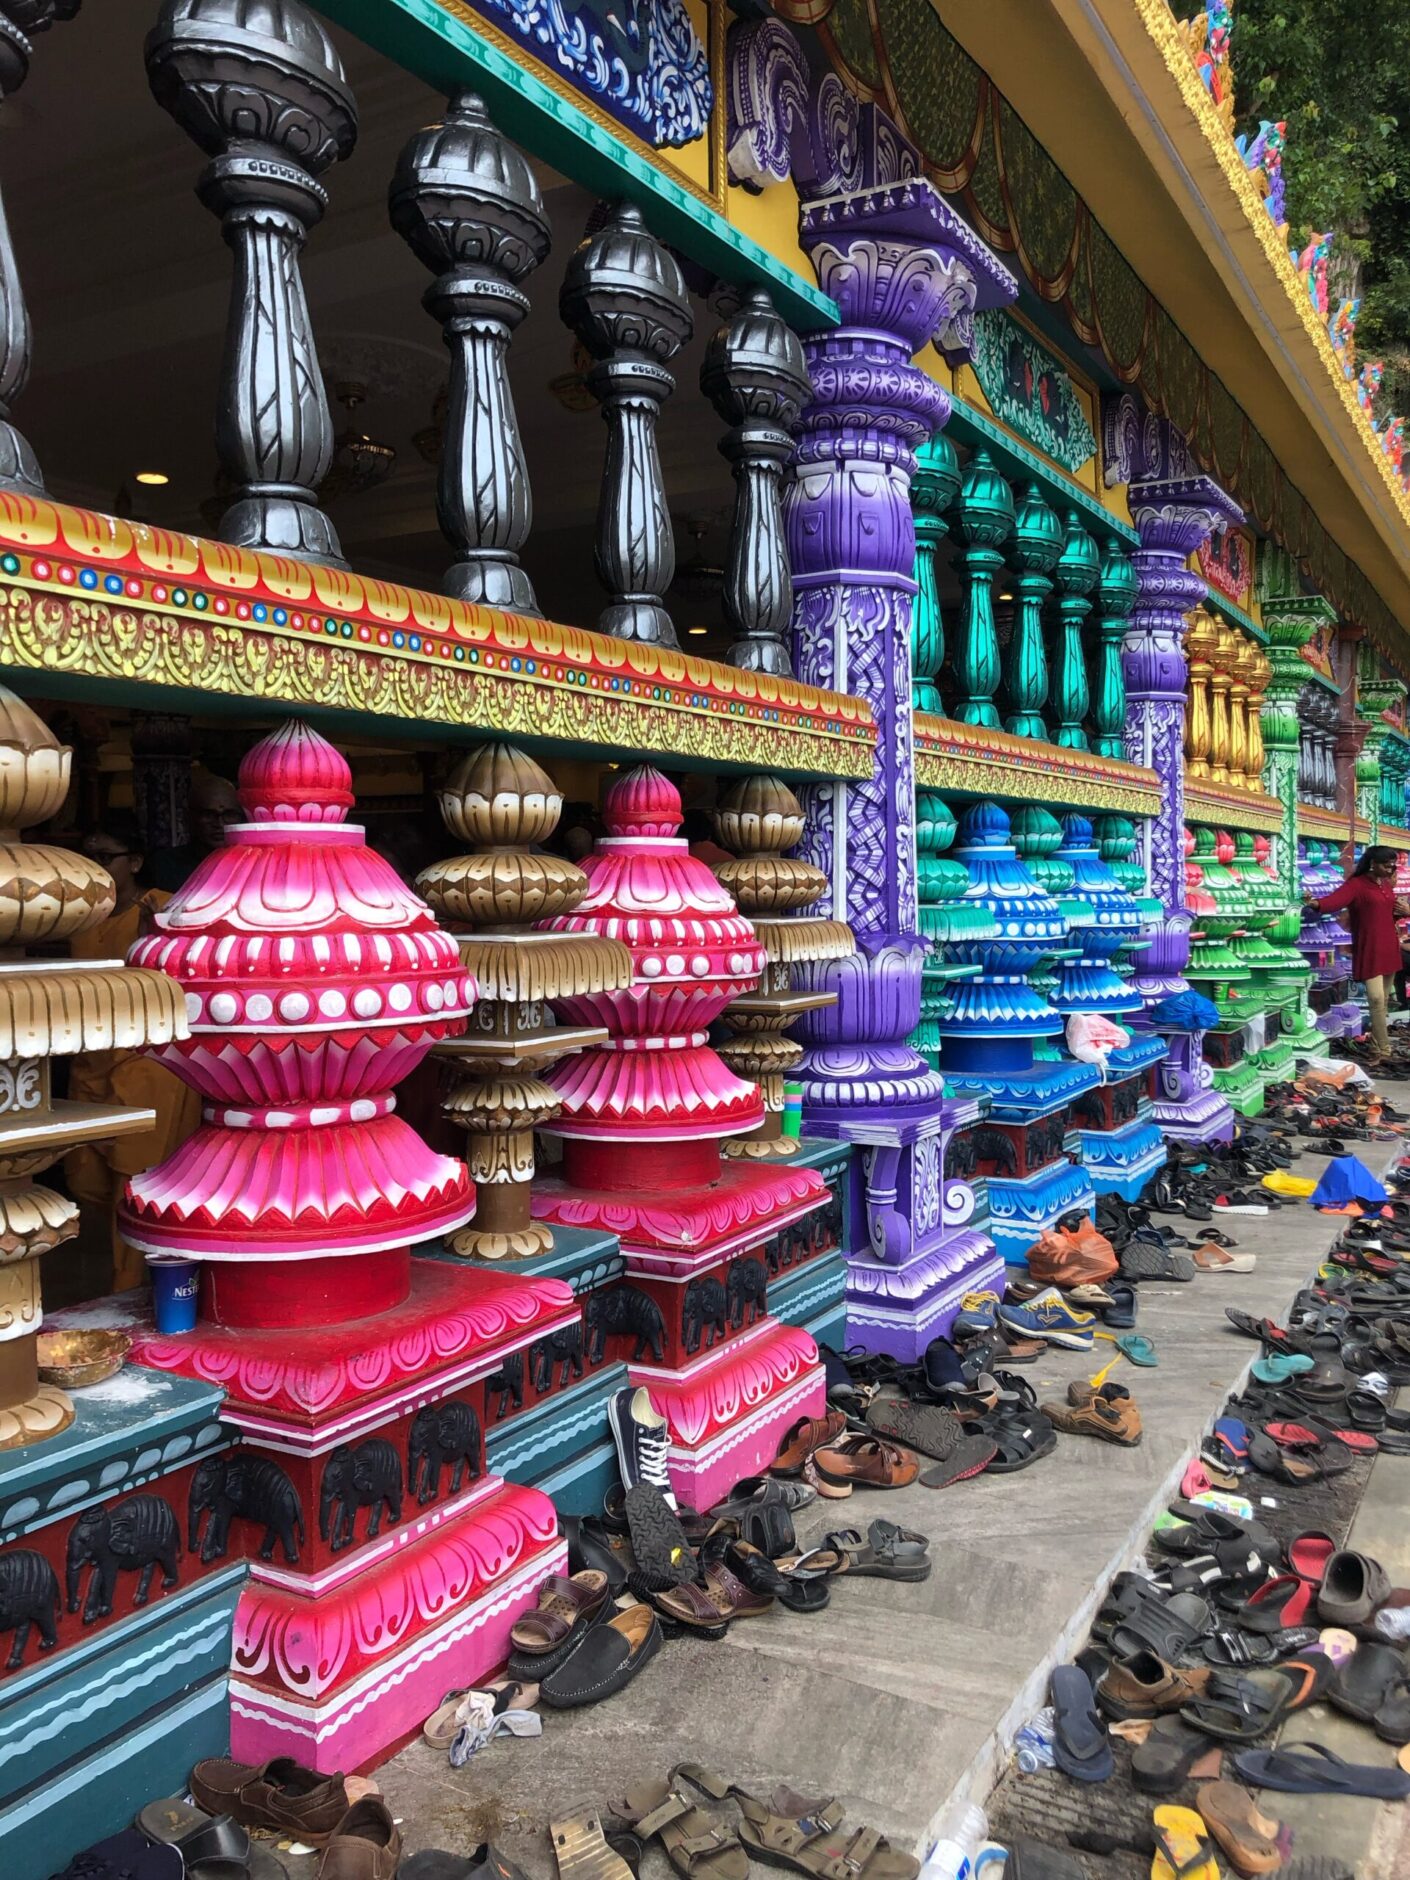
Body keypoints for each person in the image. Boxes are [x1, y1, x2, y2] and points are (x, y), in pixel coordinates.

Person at [64, 813, 202, 1290]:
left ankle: (129, 1292)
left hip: (147, 1064)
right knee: (83, 1176)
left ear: (135, 863)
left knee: (133, 1180)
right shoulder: (75, 914)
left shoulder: (162, 908)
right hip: (91, 1060)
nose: (95, 868)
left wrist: (156, 940)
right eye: (88, 858)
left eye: (105, 858)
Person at [1305, 845, 1410, 1066]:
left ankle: (1377, 1048)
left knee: (1383, 1001)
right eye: (1386, 865)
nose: (1391, 869)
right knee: (1376, 999)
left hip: (1389, 946)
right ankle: (1384, 1049)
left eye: (1393, 865)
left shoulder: (1385, 885)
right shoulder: (1357, 885)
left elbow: (1387, 912)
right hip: (1370, 947)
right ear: (1372, 864)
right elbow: (1335, 900)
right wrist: (1315, 903)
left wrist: (1402, 912)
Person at [147, 769, 240, 890]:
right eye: (208, 815)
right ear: (189, 817)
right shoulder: (165, 866)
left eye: (229, 815)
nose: (219, 823)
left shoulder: (253, 865)